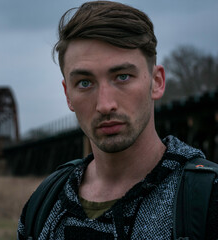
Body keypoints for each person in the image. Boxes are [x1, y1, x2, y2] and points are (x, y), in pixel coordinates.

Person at [17, 1, 218, 239]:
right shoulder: (44, 203)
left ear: (157, 82)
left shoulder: (206, 200)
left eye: (122, 76)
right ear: (67, 95)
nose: (105, 105)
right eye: (85, 83)